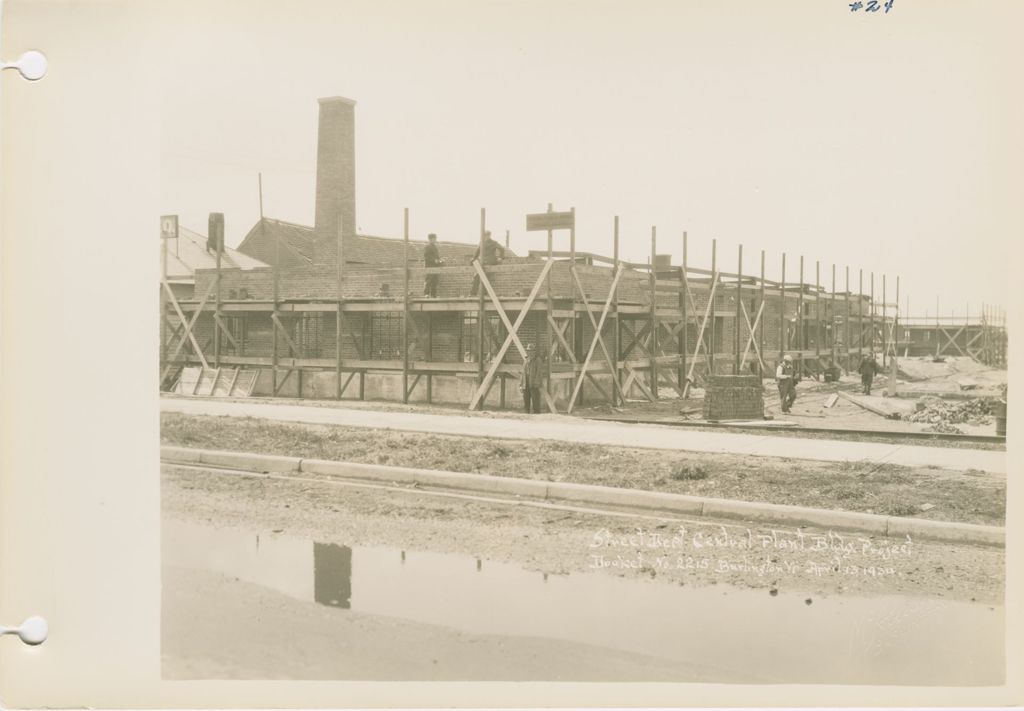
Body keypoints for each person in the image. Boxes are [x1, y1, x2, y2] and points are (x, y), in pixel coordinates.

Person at [469, 230, 505, 296]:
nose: (486, 236)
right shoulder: (481, 242)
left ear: (489, 235)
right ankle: (472, 294)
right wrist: (473, 259)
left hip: (490, 261)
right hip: (482, 261)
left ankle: (484, 294)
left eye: (487, 235)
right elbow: (477, 251)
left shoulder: (493, 242)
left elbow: (502, 248)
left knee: (486, 277)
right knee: (477, 277)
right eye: (484, 235)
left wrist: (500, 257)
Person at [520, 343, 544, 414]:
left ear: (534, 351)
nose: (530, 352)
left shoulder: (537, 360)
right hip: (526, 384)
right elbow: (523, 373)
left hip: (534, 384)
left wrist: (536, 383)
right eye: (528, 351)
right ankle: (527, 417)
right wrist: (521, 385)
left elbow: (539, 373)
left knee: (536, 403)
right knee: (526, 403)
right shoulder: (526, 360)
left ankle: (537, 418)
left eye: (531, 351)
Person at [423, 233, 442, 297]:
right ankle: (426, 293)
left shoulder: (435, 247)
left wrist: (440, 260)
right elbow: (426, 257)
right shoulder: (427, 247)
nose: (435, 240)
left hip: (435, 266)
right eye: (434, 239)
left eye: (435, 239)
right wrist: (434, 260)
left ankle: (433, 294)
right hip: (430, 266)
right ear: (430, 239)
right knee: (428, 280)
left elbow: (437, 256)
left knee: (435, 280)